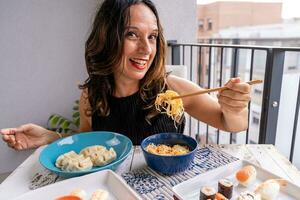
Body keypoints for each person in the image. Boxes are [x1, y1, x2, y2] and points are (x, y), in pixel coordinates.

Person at [0, 0, 251, 149]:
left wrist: (235, 108)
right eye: (132, 34)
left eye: (152, 37)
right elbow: (89, 141)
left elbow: (231, 124)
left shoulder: (172, 89)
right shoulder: (92, 94)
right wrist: (50, 137)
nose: (146, 49)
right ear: (107, 38)